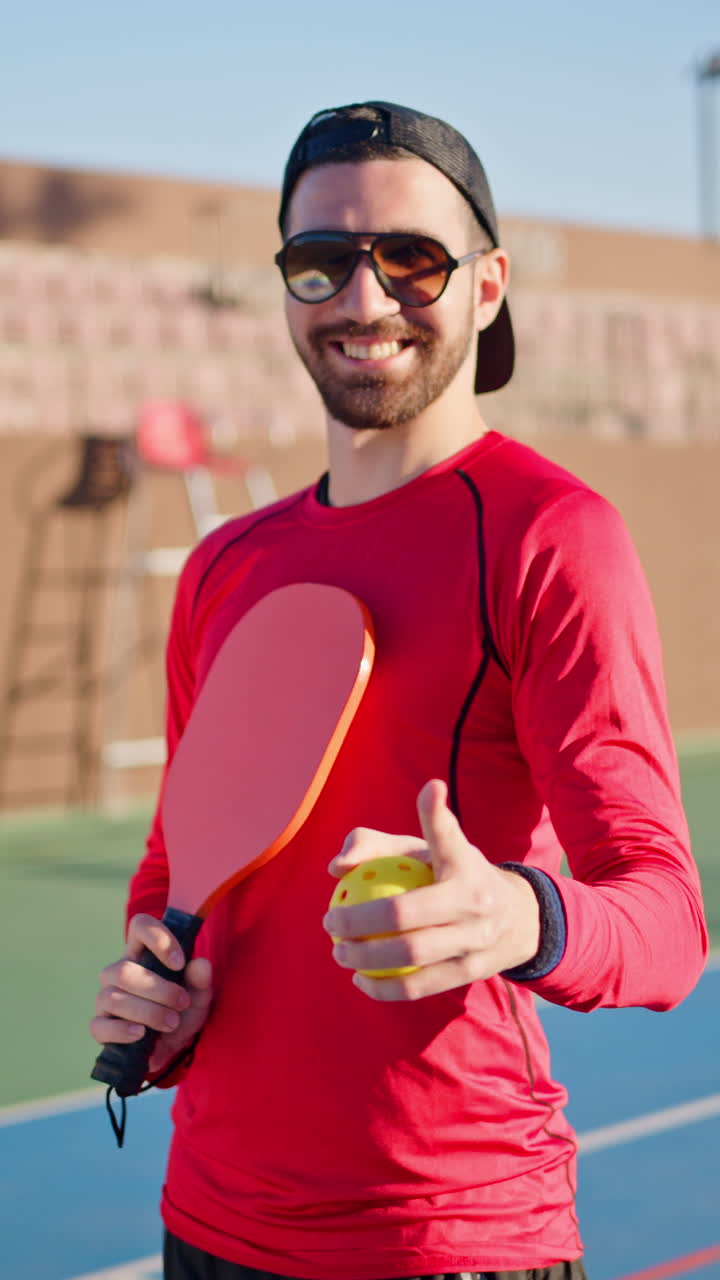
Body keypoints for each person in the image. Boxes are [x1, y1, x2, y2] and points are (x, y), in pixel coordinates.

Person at [90, 101, 708, 1280]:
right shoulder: (227, 564)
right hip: (209, 1225)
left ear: (486, 284)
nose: (363, 300)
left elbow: (670, 922)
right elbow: (178, 873)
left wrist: (518, 914)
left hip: (449, 1236)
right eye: (320, 262)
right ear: (286, 290)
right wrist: (155, 1005)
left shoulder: (552, 536)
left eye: (409, 259)